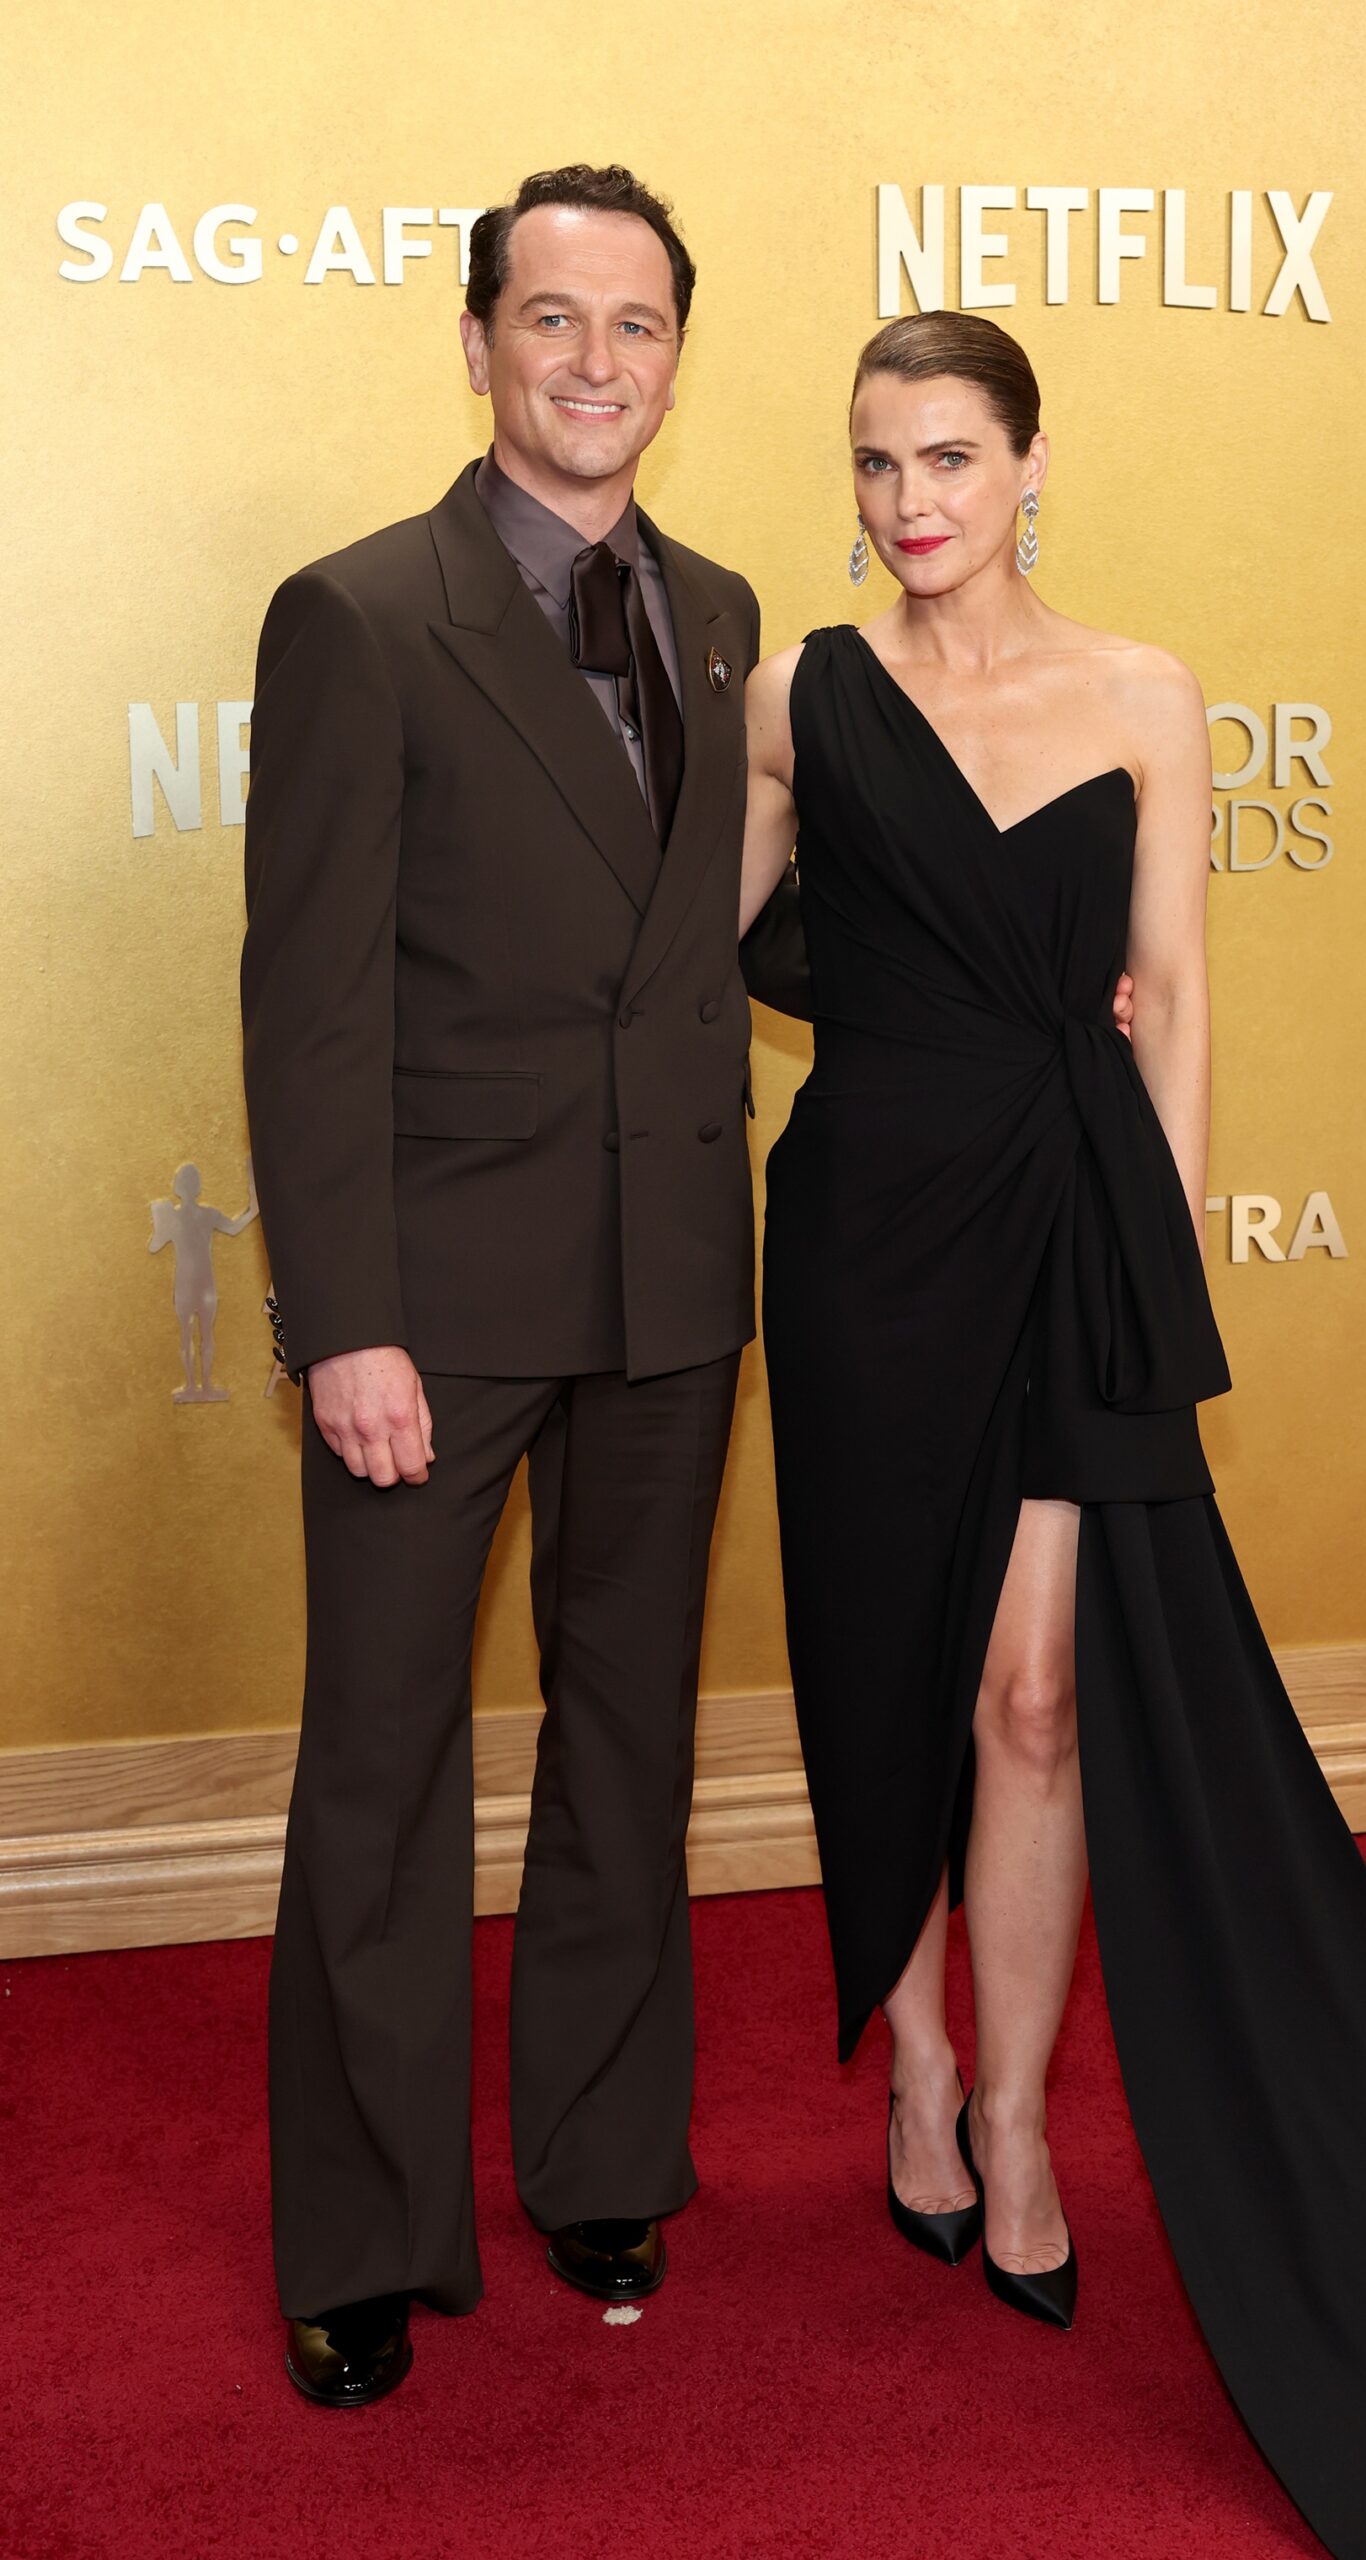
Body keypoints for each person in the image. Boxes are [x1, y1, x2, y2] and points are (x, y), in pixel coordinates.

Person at [740, 310, 1366, 2555]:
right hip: (867, 1231)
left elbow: (1168, 997)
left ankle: (1019, 2118)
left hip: (1069, 1223)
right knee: (885, 1667)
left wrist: (1149, 1271)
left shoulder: (1143, 692)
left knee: (1037, 1693)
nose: (911, 501)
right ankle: (913, 2065)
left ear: (1030, 465)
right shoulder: (796, 695)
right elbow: (703, 936)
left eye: (950, 456)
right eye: (877, 461)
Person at [240, 162, 811, 2408]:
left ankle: (597, 2155)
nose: (596, 361)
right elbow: (306, 1006)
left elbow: (711, 938)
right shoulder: (361, 615)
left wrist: (1034, 986)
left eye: (636, 323)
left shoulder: (727, 609)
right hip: (434, 1307)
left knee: (629, 1737)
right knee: (382, 1763)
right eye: (552, 319)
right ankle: (363, 2230)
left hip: (667, 1283)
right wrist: (341, 1318)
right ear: (477, 341)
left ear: (678, 355)